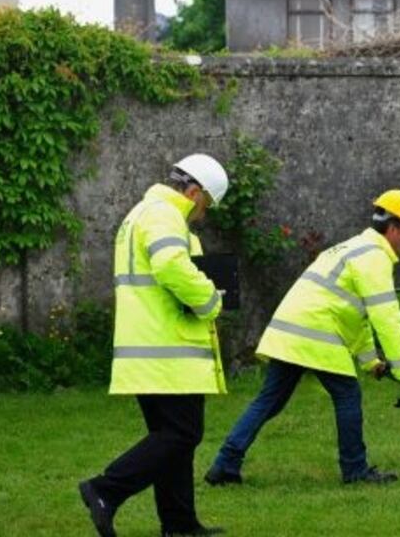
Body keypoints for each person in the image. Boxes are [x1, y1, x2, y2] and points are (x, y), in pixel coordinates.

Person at [204, 189, 400, 487]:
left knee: (268, 401)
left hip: (289, 331)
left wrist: (371, 362)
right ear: (396, 227)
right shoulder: (374, 258)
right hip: (317, 333)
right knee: (347, 395)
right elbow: (386, 317)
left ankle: (224, 465)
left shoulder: (350, 248)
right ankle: (355, 471)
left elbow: (355, 317)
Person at [78, 154, 230, 537]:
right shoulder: (163, 215)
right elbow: (169, 266)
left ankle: (178, 525)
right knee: (182, 435)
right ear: (194, 193)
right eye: (206, 205)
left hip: (150, 351)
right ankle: (104, 490)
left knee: (174, 442)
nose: (203, 215)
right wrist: (211, 299)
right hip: (169, 350)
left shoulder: (141, 214)